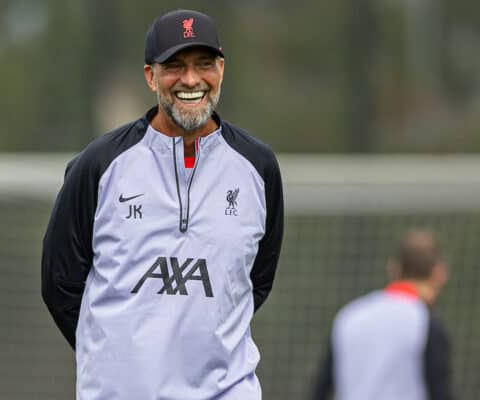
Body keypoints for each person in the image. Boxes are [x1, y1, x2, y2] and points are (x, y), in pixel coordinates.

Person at [41, 9, 284, 400]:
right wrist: (118, 355)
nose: (191, 79)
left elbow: (255, 281)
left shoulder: (259, 168)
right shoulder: (99, 166)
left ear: (221, 69)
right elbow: (59, 284)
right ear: (150, 75)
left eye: (203, 64)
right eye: (174, 66)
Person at [311, 229, 453, 400]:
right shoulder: (427, 325)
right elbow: (440, 392)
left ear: (394, 269)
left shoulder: (349, 316)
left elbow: (319, 390)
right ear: (440, 274)